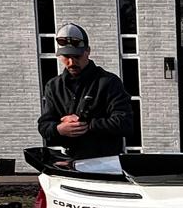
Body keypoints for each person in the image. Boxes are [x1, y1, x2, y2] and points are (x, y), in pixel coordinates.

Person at [37, 22, 131, 158]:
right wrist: (59, 129)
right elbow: (44, 125)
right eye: (66, 57)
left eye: (77, 56)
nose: (71, 62)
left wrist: (86, 125)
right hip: (72, 161)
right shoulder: (53, 86)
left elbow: (125, 123)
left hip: (107, 161)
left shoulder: (109, 82)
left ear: (88, 51)